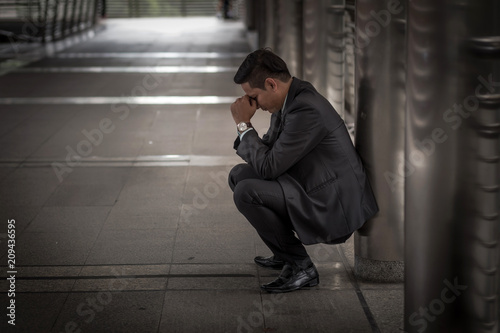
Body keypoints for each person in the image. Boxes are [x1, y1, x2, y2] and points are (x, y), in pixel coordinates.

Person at [228, 49, 379, 293]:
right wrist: (247, 130)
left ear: (271, 84)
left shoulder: (305, 108)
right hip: (313, 183)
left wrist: (243, 125)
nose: (253, 104)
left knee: (246, 191)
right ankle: (283, 251)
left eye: (254, 96)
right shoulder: (289, 99)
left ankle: (301, 266)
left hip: (333, 200)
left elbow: (268, 167)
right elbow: (269, 152)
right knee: (239, 175)